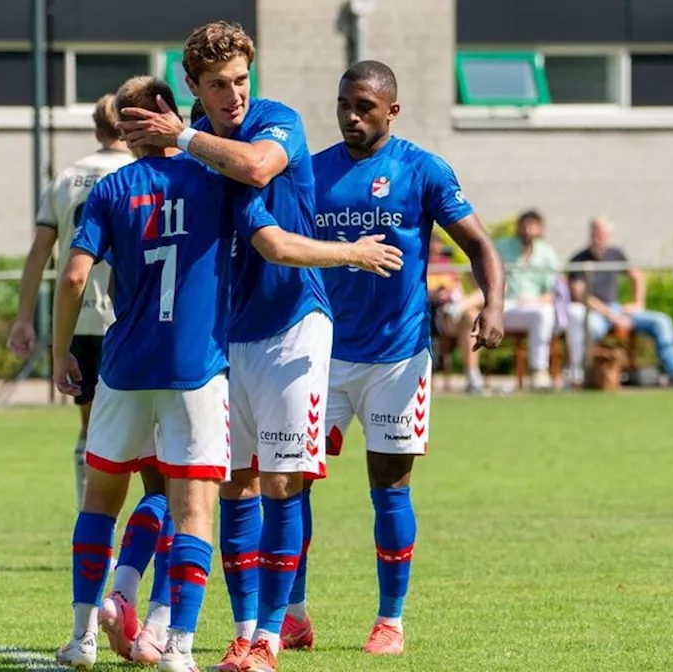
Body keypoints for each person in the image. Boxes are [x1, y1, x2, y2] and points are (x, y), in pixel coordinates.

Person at [118, 23, 404, 672]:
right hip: (227, 337)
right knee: (235, 488)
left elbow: (256, 172)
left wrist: (353, 254)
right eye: (218, 85)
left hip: (295, 327)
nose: (235, 95)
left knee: (282, 481)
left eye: (242, 80)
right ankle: (242, 632)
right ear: (193, 87)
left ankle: (270, 639)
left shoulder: (275, 121)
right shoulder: (192, 147)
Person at [298, 61, 506, 656]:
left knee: (389, 488)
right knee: (289, 483)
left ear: (392, 110)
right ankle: (293, 614)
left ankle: (390, 620)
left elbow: (480, 245)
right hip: (324, 354)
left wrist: (492, 305)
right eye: (344, 104)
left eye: (363, 106)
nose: (351, 116)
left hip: (397, 359)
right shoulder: (313, 174)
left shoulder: (423, 170)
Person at [52, 75, 231, 672]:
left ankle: (81, 638)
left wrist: (60, 352)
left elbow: (74, 277)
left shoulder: (112, 189)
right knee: (194, 510)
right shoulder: (212, 179)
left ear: (135, 125)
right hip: (196, 369)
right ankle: (179, 645)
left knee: (100, 502)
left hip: (125, 368)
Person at [8, 93, 170, 662]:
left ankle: (84, 627)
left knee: (98, 466)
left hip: (86, 331)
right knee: (170, 484)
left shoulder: (72, 179)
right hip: (162, 339)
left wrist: (29, 321)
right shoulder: (168, 176)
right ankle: (155, 622)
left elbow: (44, 255)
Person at [566, 217, 673, 387]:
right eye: (596, 233)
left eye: (603, 234)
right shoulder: (578, 259)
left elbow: (637, 275)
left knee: (661, 321)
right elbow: (581, 296)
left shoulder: (616, 254)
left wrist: (638, 302)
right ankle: (584, 374)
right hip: (597, 312)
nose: (599, 238)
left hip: (617, 309)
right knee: (591, 329)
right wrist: (610, 315)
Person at [474, 210, 560, 390]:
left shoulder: (547, 253)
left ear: (540, 229)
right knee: (479, 315)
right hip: (505, 305)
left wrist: (535, 300)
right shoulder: (501, 247)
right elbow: (479, 265)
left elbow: (553, 292)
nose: (528, 230)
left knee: (545, 313)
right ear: (518, 227)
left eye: (533, 226)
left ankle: (538, 371)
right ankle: (475, 376)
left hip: (533, 307)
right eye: (525, 225)